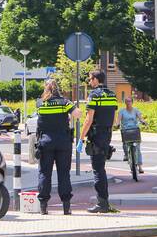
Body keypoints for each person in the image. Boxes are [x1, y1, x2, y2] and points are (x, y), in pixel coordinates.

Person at [35, 79, 76, 215]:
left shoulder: (40, 103)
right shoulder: (65, 102)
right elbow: (77, 113)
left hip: (46, 142)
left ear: (45, 89)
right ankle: (66, 206)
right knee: (64, 173)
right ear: (57, 89)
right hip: (63, 142)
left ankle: (43, 206)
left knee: (44, 173)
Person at [80, 69, 118, 213]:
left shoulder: (94, 95)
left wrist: (81, 138)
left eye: (90, 79)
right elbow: (114, 119)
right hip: (107, 134)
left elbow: (88, 119)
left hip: (96, 135)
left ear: (96, 79)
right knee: (101, 168)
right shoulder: (112, 95)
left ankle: (102, 203)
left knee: (98, 170)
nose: (89, 81)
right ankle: (104, 202)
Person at [116, 97, 146, 174]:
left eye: (129, 101)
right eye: (126, 101)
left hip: (135, 130)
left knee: (137, 148)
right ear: (125, 103)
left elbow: (140, 118)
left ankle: (140, 166)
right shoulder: (121, 111)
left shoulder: (136, 110)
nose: (128, 103)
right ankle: (126, 155)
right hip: (125, 130)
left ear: (132, 102)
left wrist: (143, 122)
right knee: (125, 145)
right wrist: (117, 124)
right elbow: (118, 120)